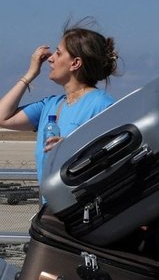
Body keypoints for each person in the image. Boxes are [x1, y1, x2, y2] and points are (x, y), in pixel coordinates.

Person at [0, 24, 119, 180]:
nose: (50, 58)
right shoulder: (49, 105)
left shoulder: (101, 105)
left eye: (58, 53)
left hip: (82, 201)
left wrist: (71, 150)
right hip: (51, 203)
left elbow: (113, 156)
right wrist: (30, 74)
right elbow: (3, 117)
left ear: (75, 63)